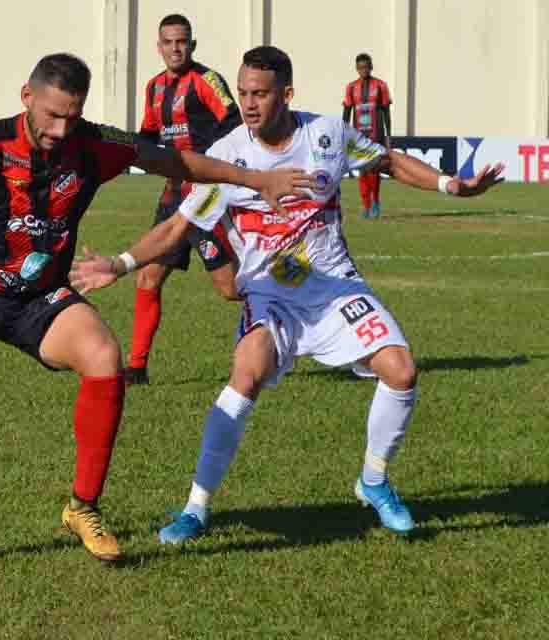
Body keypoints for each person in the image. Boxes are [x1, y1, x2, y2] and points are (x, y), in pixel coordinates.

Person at [0, 52, 311, 562]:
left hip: (41, 298)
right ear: (26, 97)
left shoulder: (95, 144)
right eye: (52, 115)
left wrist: (256, 180)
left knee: (103, 355)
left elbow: (175, 160)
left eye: (72, 116)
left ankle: (83, 506)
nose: (60, 129)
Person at [70, 46, 503, 543]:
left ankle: (374, 482)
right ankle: (196, 508)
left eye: (260, 93)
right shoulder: (231, 157)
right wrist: (120, 264)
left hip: (332, 287)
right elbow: (177, 227)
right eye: (244, 93)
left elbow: (387, 162)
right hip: (269, 294)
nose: (249, 103)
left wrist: (452, 185)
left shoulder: (326, 136)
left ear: (287, 94)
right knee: (246, 373)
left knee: (401, 370)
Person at [124, 13, 243, 387]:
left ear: (192, 45)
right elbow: (146, 136)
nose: (176, 48)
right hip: (172, 198)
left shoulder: (206, 81)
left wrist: (218, 174)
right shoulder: (154, 88)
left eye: (182, 41)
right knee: (148, 276)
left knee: (229, 289)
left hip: (206, 200)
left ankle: (290, 306)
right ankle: (137, 368)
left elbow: (235, 126)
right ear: (159, 47)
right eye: (169, 42)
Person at [343, 52, 392, 219]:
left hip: (376, 134)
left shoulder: (380, 86)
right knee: (362, 170)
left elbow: (386, 112)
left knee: (374, 170)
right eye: (360, 67)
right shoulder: (351, 87)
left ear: (371, 67)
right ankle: (366, 206)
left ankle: (376, 202)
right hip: (358, 135)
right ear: (357, 69)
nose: (363, 70)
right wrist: (344, 134)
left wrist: (388, 136)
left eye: (366, 67)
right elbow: (346, 112)